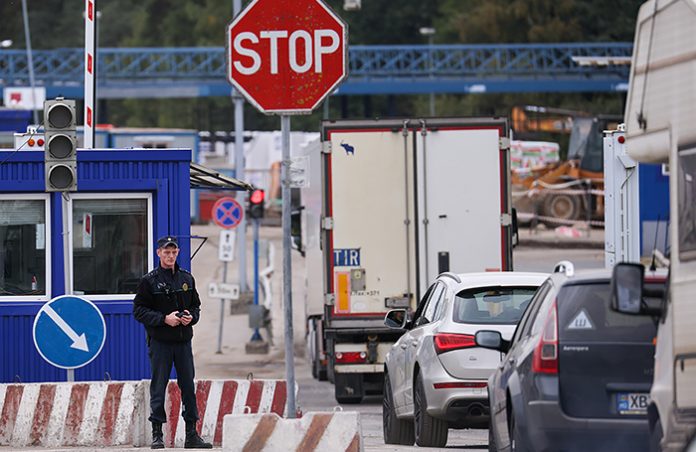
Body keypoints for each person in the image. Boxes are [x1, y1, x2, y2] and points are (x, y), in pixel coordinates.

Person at [133, 236, 212, 449]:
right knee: (158, 387)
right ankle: (157, 434)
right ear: (158, 253)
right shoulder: (149, 281)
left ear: (178, 253)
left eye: (173, 252)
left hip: (183, 342)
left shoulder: (187, 278)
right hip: (161, 343)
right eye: (166, 252)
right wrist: (163, 319)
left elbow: (196, 306)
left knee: (188, 387)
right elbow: (139, 311)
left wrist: (190, 317)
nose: (170, 256)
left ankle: (191, 435)